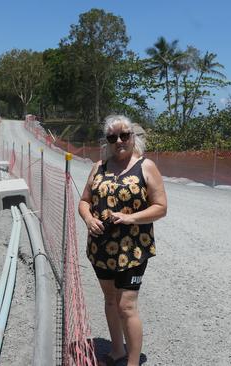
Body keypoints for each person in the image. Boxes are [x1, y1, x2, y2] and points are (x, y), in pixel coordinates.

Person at [79, 115, 167, 366]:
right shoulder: (99, 167)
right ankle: (117, 350)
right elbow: (84, 200)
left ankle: (132, 361)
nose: (119, 140)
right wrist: (87, 218)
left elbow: (161, 207)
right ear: (107, 141)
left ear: (133, 137)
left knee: (126, 305)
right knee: (109, 300)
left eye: (124, 135)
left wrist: (130, 219)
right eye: (112, 137)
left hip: (133, 250)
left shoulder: (146, 167)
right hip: (100, 248)